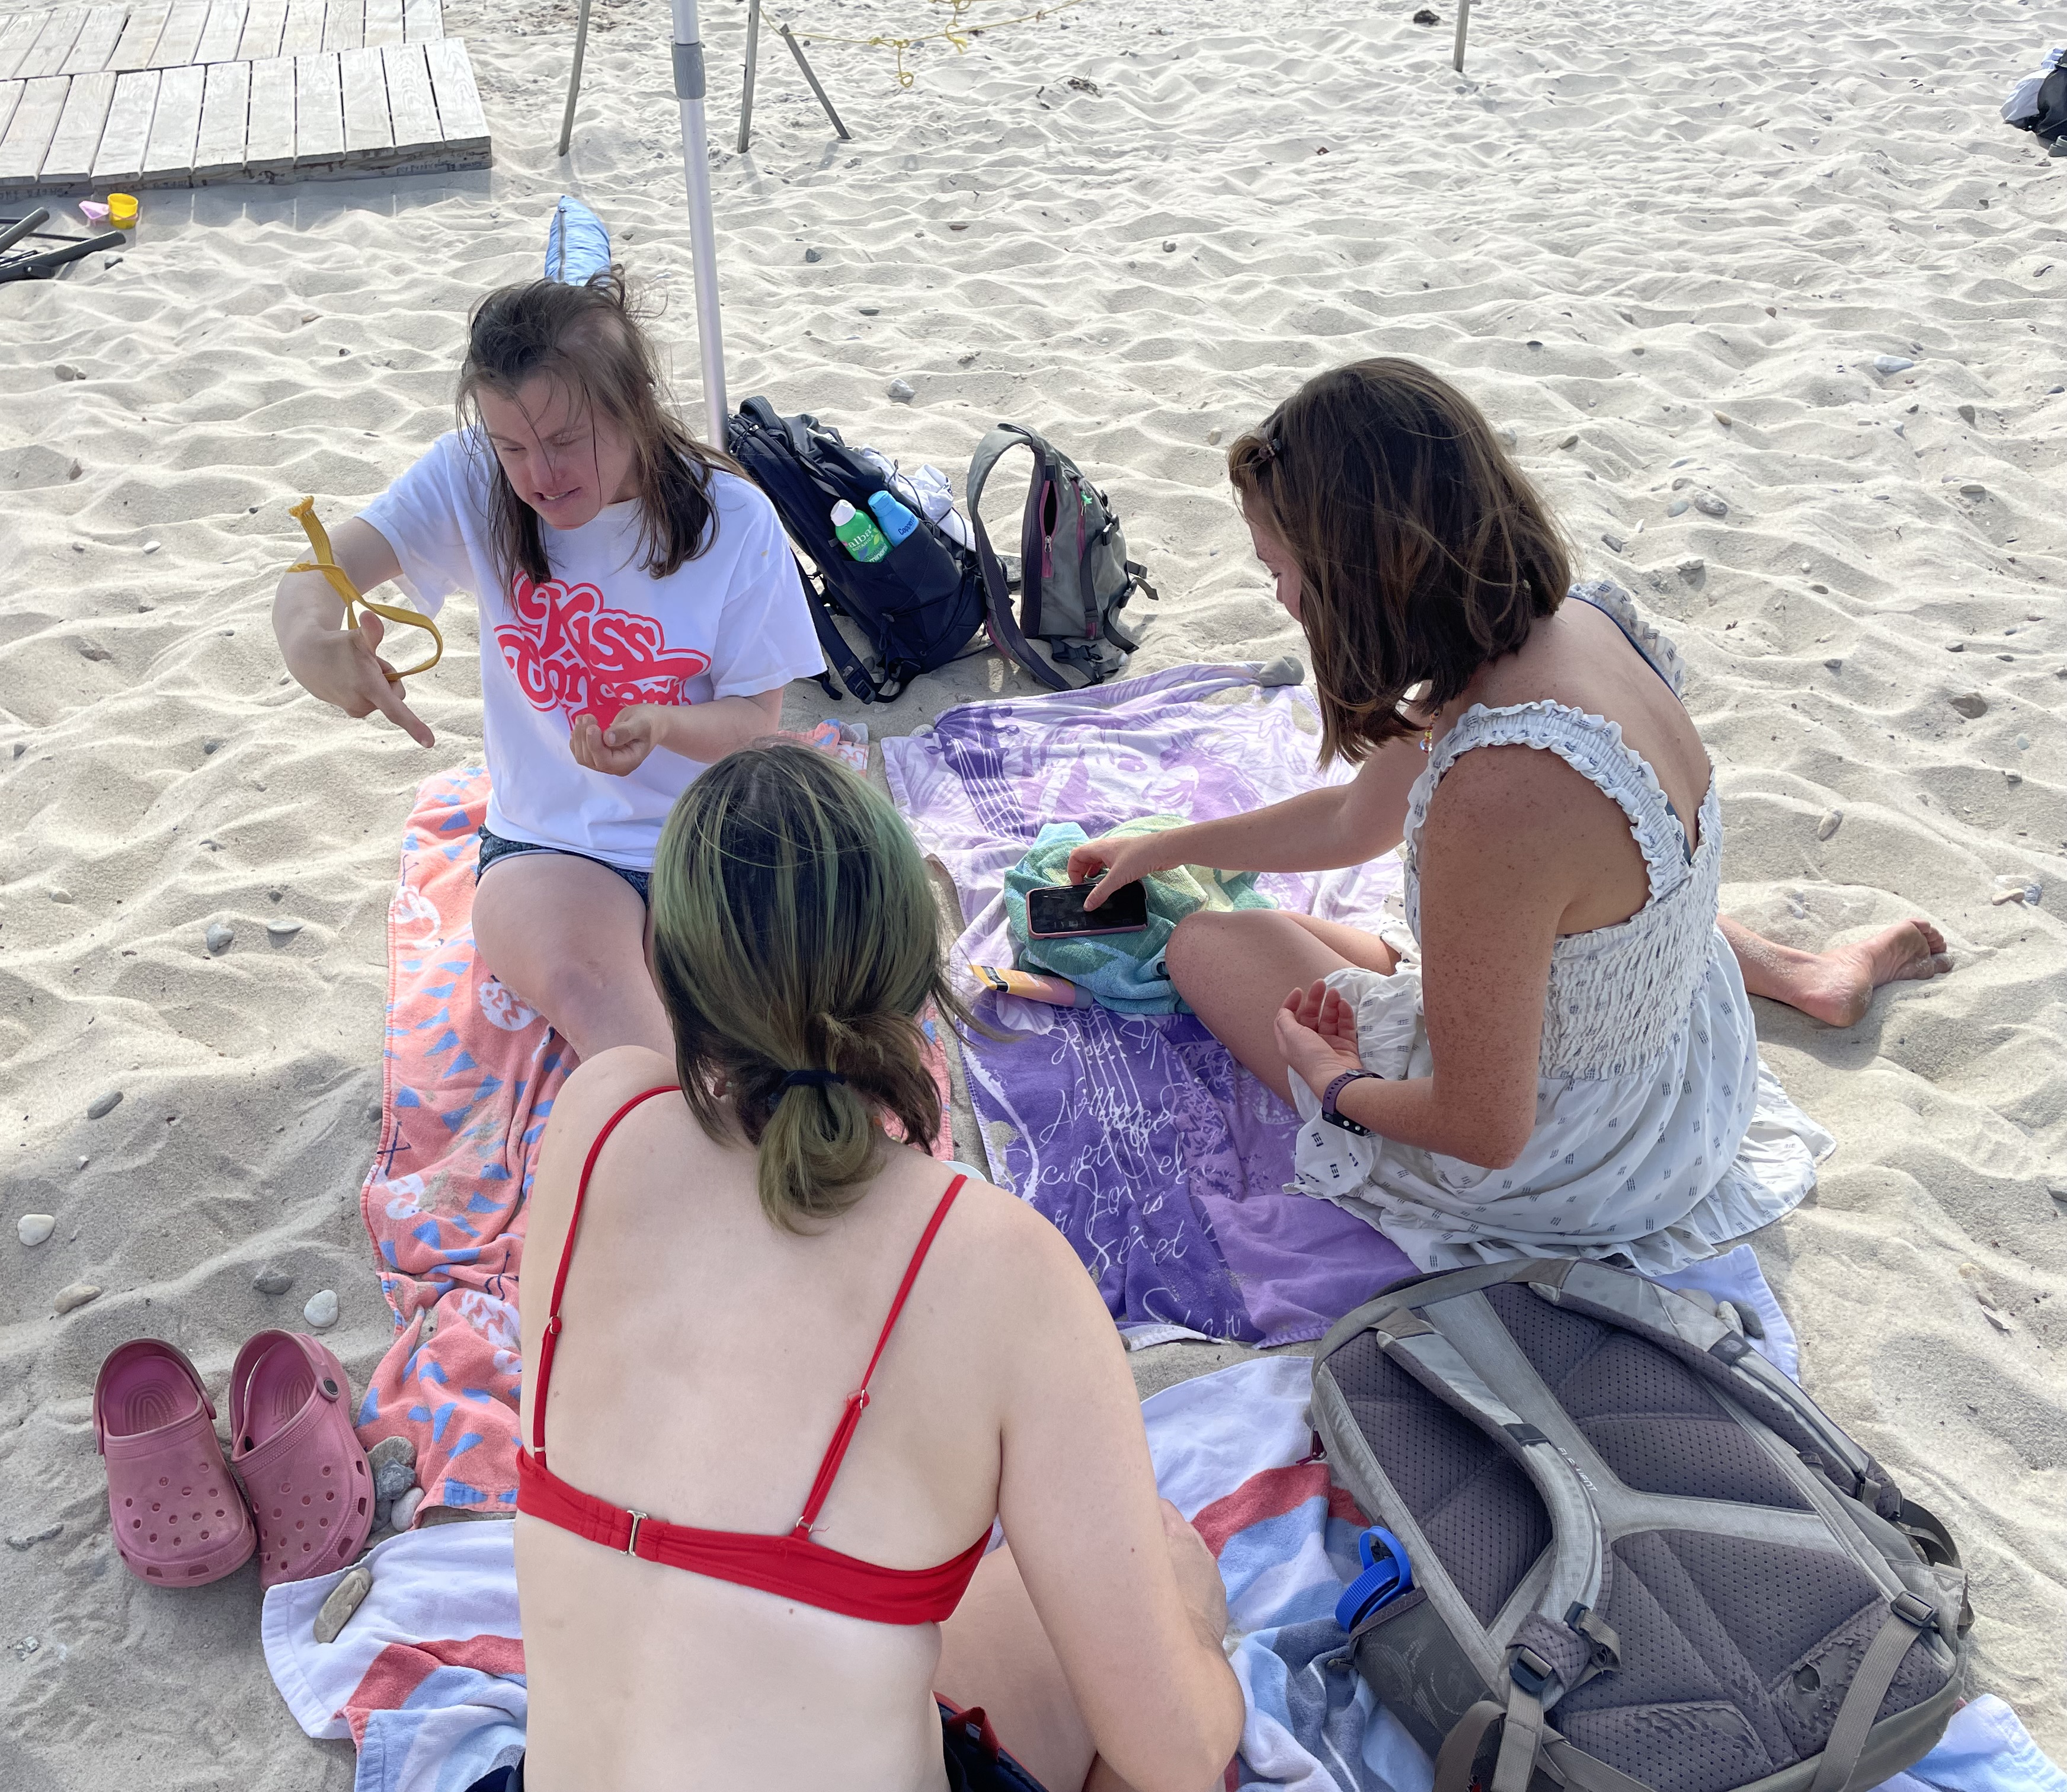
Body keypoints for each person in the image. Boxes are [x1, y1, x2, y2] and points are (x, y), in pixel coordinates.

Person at [1068, 358, 1948, 1272]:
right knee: (1556, 897)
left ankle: (1795, 980)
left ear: (1353, 572)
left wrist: (1338, 1086)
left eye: (1279, 571)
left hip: (1585, 1160)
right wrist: (1165, 847)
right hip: (1689, 1067)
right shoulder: (1581, 623)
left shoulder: (1497, 793)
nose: (1283, 598)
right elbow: (1353, 822)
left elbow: (1484, 1131)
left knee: (1207, 945)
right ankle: (1804, 974)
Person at [494, 743, 1243, 1792]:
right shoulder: (996, 1263)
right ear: (914, 977)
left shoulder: (599, 1118)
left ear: (664, 970)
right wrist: (1203, 1651)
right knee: (1167, 1585)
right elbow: (1175, 1753)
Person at [271, 273, 825, 1059]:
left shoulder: (732, 520)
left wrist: (662, 725)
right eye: (513, 447)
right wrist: (312, 649)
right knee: (611, 1015)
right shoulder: (470, 476)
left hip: (708, 831)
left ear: (635, 405)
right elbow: (318, 573)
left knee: (744, 1026)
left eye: (567, 441)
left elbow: (753, 726)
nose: (539, 476)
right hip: (550, 844)